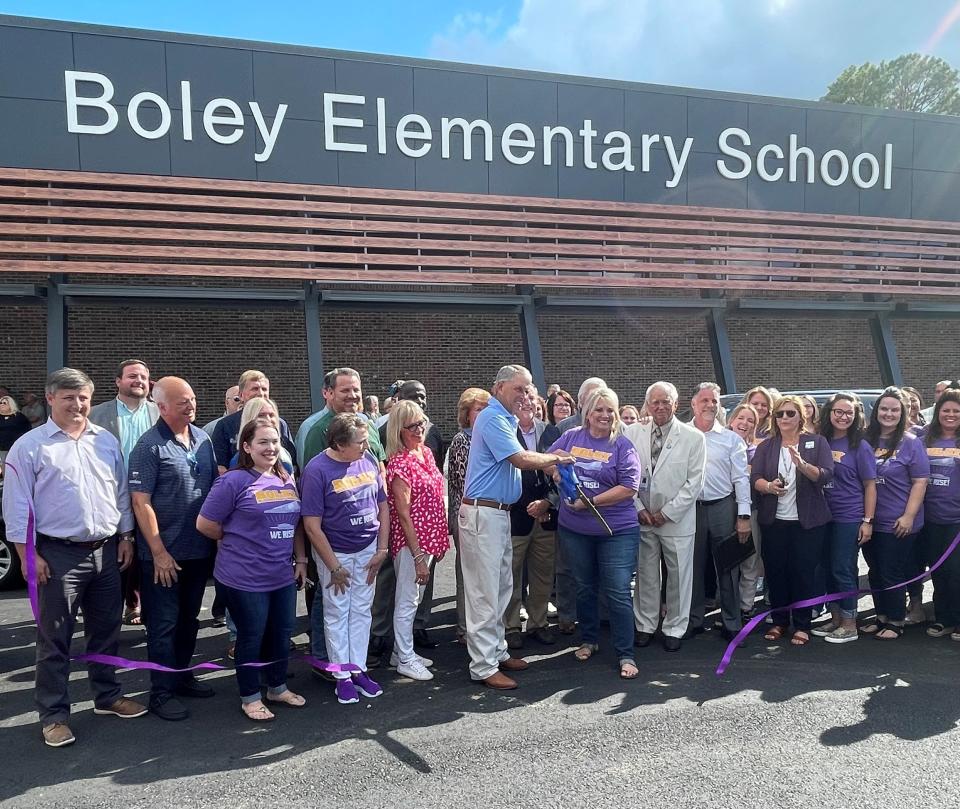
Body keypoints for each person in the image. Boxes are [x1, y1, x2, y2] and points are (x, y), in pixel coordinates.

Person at [1, 368, 146, 748]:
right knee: (55, 639)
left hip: (106, 550)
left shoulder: (105, 442)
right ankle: (53, 715)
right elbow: (17, 506)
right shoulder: (30, 447)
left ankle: (107, 696)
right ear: (50, 399)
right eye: (68, 397)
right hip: (57, 554)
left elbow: (119, 495)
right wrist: (27, 554)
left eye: (83, 397)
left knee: (106, 631)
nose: (77, 404)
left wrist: (126, 535)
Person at [458, 364, 574, 690]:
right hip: (484, 514)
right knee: (485, 594)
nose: (524, 395)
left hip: (497, 514)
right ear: (499, 388)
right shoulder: (493, 418)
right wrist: (557, 459)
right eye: (518, 389)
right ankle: (483, 666)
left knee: (500, 588)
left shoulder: (503, 419)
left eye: (528, 389)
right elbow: (521, 459)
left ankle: (497, 652)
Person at [197, 421, 308, 721]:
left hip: (281, 575)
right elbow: (205, 524)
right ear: (246, 447)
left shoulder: (285, 477)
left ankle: (277, 687)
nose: (270, 448)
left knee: (282, 633)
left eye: (274, 442)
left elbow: (296, 522)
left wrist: (301, 560)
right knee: (251, 636)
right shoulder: (233, 481)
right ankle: (250, 697)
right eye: (262, 442)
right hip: (243, 577)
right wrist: (238, 539)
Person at [128, 377, 218, 721]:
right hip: (163, 557)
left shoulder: (203, 440)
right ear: (161, 406)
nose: (191, 406)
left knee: (188, 621)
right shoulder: (149, 446)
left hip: (198, 551)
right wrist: (159, 551)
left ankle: (181, 677)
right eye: (182, 402)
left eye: (192, 399)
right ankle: (161, 692)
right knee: (163, 625)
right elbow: (141, 503)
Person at [549, 387, 642, 678]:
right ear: (587, 412)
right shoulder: (571, 436)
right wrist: (555, 472)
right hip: (574, 529)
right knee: (585, 586)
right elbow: (548, 461)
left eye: (609, 410)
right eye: (598, 409)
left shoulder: (623, 445)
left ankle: (626, 654)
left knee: (617, 591)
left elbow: (629, 487)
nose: (604, 415)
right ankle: (589, 639)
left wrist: (589, 503)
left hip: (616, 529)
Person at [300, 368, 386, 673]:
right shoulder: (315, 433)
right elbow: (311, 502)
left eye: (356, 390)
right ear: (328, 393)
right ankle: (330, 664)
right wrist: (324, 561)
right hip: (332, 546)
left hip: (366, 545)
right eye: (345, 390)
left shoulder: (369, 427)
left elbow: (380, 487)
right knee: (331, 605)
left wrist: (382, 546)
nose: (352, 396)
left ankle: (355, 666)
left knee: (360, 608)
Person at [623, 382, 705, 652]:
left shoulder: (694, 437)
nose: (660, 407)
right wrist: (639, 509)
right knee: (646, 574)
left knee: (679, 576)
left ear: (676, 404)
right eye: (654, 402)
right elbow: (624, 474)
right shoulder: (632, 432)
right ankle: (645, 625)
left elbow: (694, 483)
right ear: (647, 405)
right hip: (643, 517)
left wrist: (666, 513)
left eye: (665, 402)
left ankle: (674, 627)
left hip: (676, 520)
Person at [751, 395, 835, 647]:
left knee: (803, 573)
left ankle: (802, 624)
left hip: (807, 522)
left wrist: (802, 465)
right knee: (776, 572)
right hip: (774, 521)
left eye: (790, 413)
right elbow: (754, 477)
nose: (784, 418)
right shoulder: (767, 446)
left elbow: (825, 476)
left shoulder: (816, 442)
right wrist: (768, 486)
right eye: (780, 414)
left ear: (801, 416)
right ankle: (779, 620)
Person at [88, 359, 160, 627]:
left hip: (151, 495)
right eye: (132, 376)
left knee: (148, 552)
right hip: (111, 495)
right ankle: (109, 614)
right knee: (117, 555)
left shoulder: (159, 412)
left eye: (143, 376)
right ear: (118, 381)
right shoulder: (96, 414)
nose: (139, 380)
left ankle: (141, 606)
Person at [385, 400, 449, 681]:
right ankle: (405, 658)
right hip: (413, 543)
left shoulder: (425, 453)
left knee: (415, 598)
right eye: (413, 426)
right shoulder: (399, 463)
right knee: (408, 600)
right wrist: (418, 556)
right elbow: (403, 513)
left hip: (429, 540)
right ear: (399, 430)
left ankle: (402, 651)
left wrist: (440, 541)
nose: (420, 429)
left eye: (422, 423)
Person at [862, 388, 929, 640]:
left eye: (894, 410)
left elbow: (920, 482)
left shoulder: (911, 442)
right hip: (871, 520)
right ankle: (880, 616)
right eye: (884, 408)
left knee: (892, 570)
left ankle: (896, 620)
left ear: (902, 413)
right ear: (876, 410)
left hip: (898, 521)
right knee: (875, 570)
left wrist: (909, 516)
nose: (888, 414)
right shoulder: (865, 439)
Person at [687, 383, 752, 642]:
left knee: (728, 566)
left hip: (723, 506)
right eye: (704, 400)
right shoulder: (681, 434)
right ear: (693, 403)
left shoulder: (731, 439)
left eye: (714, 401)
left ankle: (731, 622)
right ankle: (692, 621)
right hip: (689, 508)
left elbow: (741, 479)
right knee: (691, 567)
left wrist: (743, 516)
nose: (710, 405)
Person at [811, 393, 876, 644]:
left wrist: (867, 520)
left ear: (856, 416)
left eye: (848, 412)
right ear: (829, 413)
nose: (843, 416)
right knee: (826, 567)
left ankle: (850, 623)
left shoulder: (860, 446)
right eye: (838, 411)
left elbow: (870, 485)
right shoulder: (821, 441)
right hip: (821, 515)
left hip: (848, 517)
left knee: (843, 567)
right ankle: (836, 618)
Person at [505, 385, 557, 650]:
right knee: (512, 575)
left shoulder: (551, 431)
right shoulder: (506, 431)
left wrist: (548, 502)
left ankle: (538, 623)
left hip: (546, 515)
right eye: (523, 398)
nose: (527, 403)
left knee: (543, 575)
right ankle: (511, 626)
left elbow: (561, 472)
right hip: (515, 515)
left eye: (532, 399)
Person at [445, 387, 491, 643]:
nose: (483, 414)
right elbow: (466, 484)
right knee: (468, 573)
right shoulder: (463, 441)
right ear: (467, 414)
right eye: (478, 409)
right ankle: (464, 627)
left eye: (487, 409)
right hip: (466, 514)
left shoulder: (485, 436)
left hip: (481, 515)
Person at [918, 388, 960, 641]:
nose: (951, 415)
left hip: (957, 521)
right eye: (946, 410)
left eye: (956, 411)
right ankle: (943, 618)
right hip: (930, 518)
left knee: (957, 572)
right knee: (938, 571)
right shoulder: (924, 438)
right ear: (938, 413)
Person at [212, 371, 296, 473]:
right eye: (254, 389)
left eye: (264, 389)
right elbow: (220, 466)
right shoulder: (225, 425)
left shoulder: (280, 424)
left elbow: (292, 461)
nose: (260, 393)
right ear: (241, 395)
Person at [726, 403, 764, 617]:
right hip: (723, 509)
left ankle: (745, 605)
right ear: (732, 420)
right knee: (727, 561)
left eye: (751, 420)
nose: (745, 423)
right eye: (741, 418)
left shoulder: (757, 452)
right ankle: (727, 605)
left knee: (750, 559)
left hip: (752, 511)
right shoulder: (718, 444)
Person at [228, 397, 294, 473]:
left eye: (271, 415)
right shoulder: (238, 462)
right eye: (261, 415)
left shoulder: (284, 454)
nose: (268, 419)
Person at [0, 394, 31, 470]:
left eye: (4, 403)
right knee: (3, 464)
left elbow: (27, 430)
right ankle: (5, 480)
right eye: (0, 403)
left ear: (10, 404)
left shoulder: (19, 417)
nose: (1, 405)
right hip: (2, 447)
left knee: (14, 466)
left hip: (15, 446)